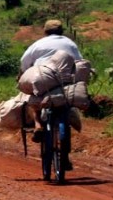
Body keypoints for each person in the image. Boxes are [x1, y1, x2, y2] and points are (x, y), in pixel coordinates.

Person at [20, 19, 82, 172]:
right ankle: (65, 158)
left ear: (45, 31)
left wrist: (25, 73)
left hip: (42, 80)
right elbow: (79, 62)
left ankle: (38, 125)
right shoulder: (70, 43)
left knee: (32, 100)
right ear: (61, 31)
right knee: (66, 108)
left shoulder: (38, 44)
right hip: (64, 81)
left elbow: (24, 62)